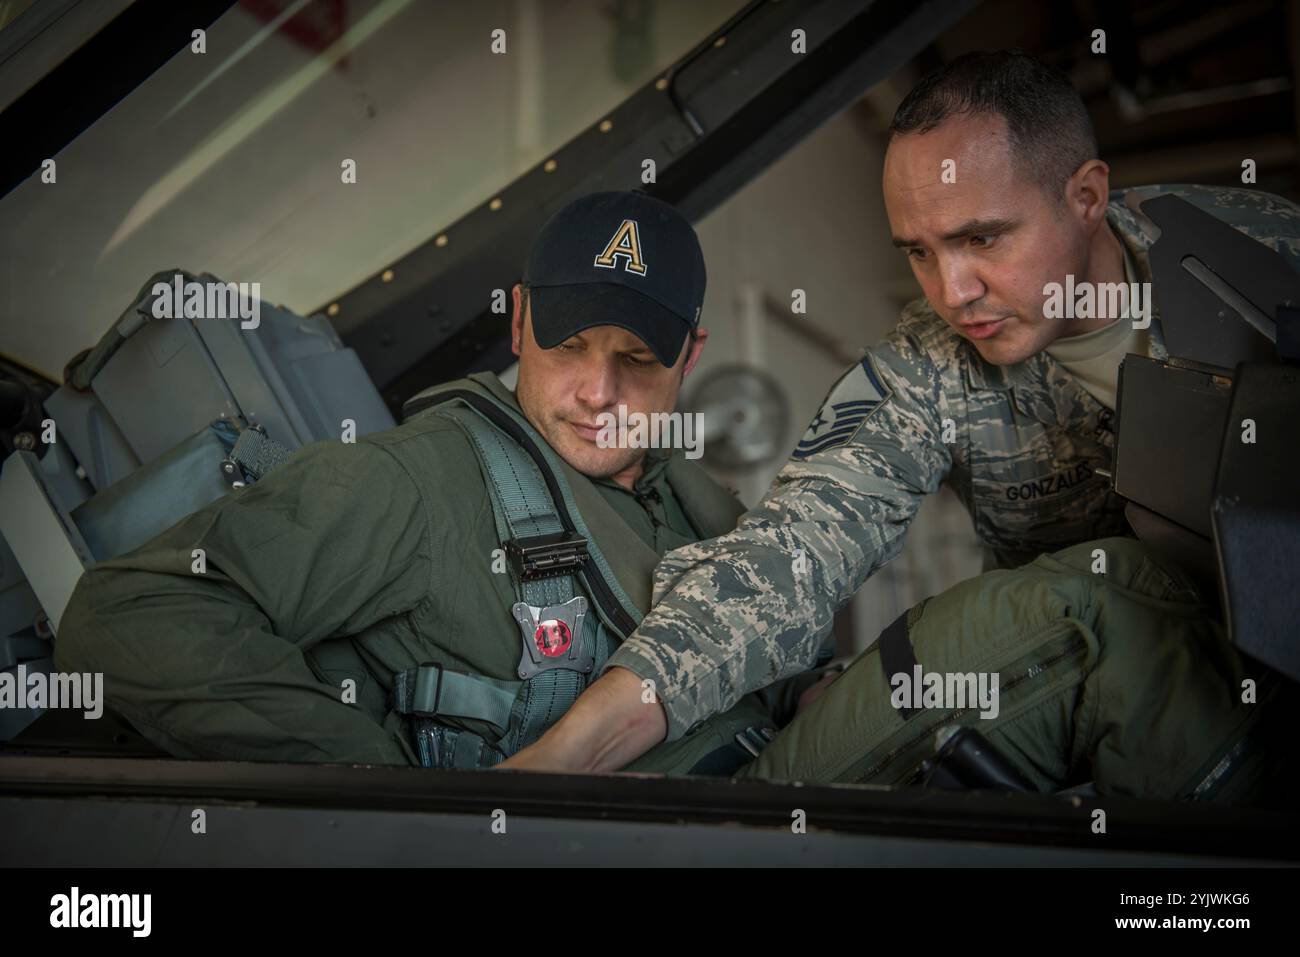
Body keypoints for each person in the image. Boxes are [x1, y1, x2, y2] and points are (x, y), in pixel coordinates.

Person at [498, 50, 1300, 792]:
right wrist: (553, 767)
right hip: (1148, 699)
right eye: (918, 252)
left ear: (1086, 197)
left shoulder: (1259, 250)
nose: (953, 292)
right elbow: (789, 556)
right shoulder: (928, 367)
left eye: (981, 238)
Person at [54, 190, 819, 772]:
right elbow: (127, 614)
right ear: (519, 323)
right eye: (570, 343)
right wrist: (394, 801)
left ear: (690, 356)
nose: (596, 391)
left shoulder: (701, 509)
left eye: (639, 359)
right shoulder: (421, 480)